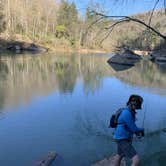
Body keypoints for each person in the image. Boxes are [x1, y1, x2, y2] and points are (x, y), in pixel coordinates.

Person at [113, 94, 144, 166]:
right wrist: (142, 129)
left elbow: (132, 127)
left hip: (120, 137)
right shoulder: (127, 113)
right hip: (122, 139)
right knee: (136, 160)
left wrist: (137, 133)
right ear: (131, 103)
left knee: (119, 155)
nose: (136, 107)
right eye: (135, 105)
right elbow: (134, 129)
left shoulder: (129, 112)